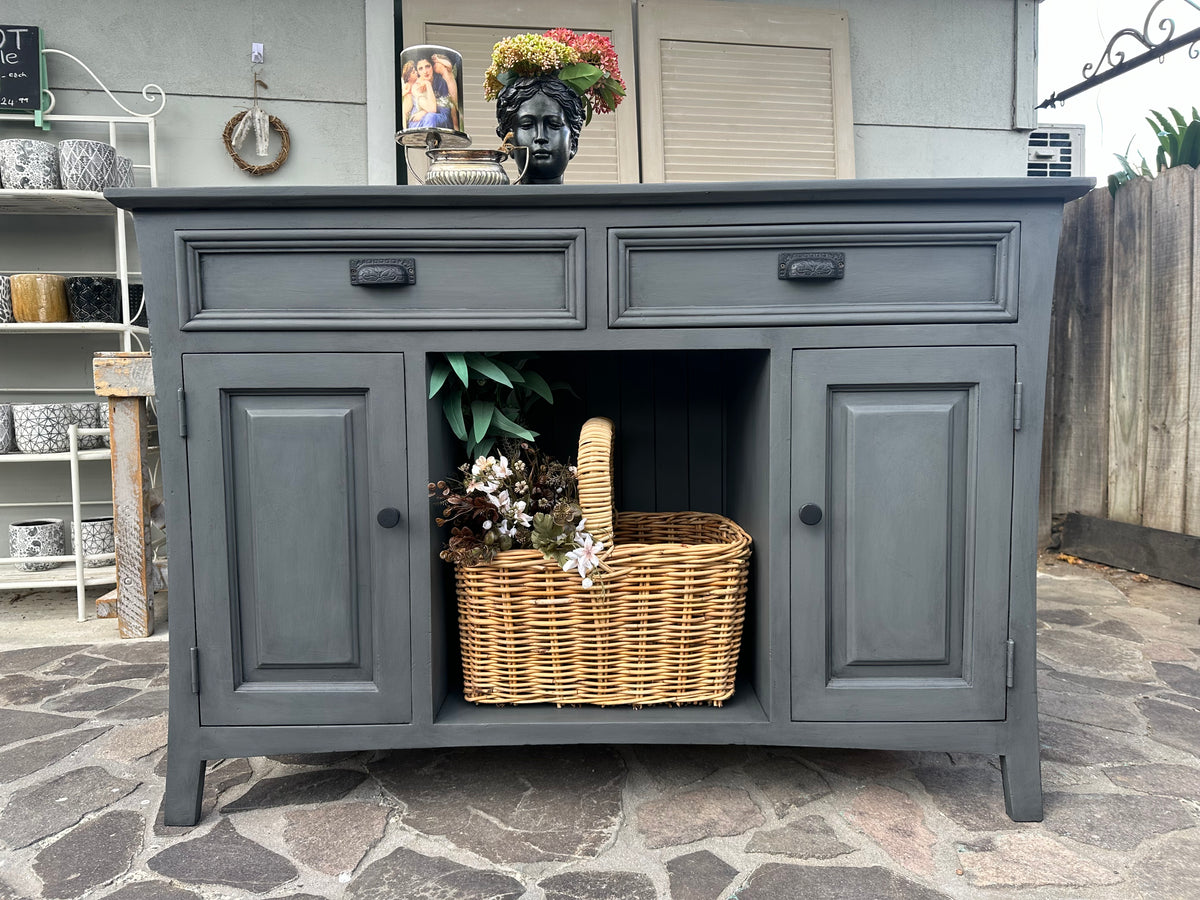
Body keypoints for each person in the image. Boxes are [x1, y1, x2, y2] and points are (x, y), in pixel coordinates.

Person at [494, 76, 585, 184]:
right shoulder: (488, 200)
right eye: (527, 125)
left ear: (573, 144)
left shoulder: (597, 201)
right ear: (509, 143)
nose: (540, 137)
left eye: (554, 125)